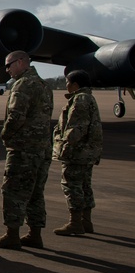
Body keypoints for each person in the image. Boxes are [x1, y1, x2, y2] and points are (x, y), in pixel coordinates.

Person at [0, 50, 54, 250]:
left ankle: (12, 234)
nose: (7, 70)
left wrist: (5, 135)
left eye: (8, 65)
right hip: (42, 148)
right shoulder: (45, 86)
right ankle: (35, 234)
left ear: (20, 62)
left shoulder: (22, 85)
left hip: (23, 149)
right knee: (36, 192)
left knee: (13, 191)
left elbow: (15, 117)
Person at [52, 70, 104, 236]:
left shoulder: (80, 100)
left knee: (72, 185)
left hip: (77, 152)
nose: (66, 85)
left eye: (67, 82)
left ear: (75, 84)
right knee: (84, 186)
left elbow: (76, 128)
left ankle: (75, 223)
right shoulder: (89, 98)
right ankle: (86, 222)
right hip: (87, 153)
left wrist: (64, 145)